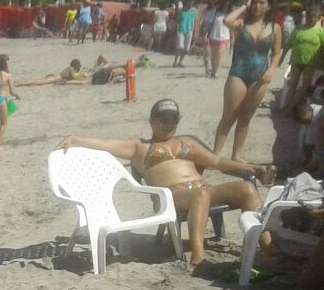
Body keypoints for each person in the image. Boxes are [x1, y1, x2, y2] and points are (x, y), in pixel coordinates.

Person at [58, 98, 272, 269]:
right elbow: (106, 145)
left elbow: (217, 162)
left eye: (173, 119)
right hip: (170, 196)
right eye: (164, 120)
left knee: (246, 189)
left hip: (200, 189)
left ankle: (267, 246)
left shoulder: (187, 142)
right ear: (152, 121)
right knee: (201, 193)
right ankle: (198, 257)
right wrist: (76, 140)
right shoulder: (140, 147)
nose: (169, 124)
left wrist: (252, 168)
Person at [213, 0, 283, 161]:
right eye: (255, 2)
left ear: (269, 6)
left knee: (245, 118)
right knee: (228, 117)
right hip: (238, 73)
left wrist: (271, 70)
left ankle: (236, 154)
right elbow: (227, 21)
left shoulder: (275, 28)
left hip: (260, 76)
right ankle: (215, 155)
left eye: (262, 3)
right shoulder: (241, 23)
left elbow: (276, 53)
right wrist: (244, 6)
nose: (257, 5)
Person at [284, 5, 323, 114]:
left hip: (310, 64)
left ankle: (291, 109)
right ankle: (286, 106)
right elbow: (288, 44)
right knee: (292, 85)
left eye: (315, 16)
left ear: (318, 17)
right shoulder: (298, 29)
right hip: (296, 61)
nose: (312, 18)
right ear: (307, 15)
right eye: (311, 15)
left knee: (304, 87)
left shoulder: (320, 31)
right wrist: (281, 58)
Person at [0, 54, 20, 152]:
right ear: (4, 64)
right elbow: (12, 92)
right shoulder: (8, 76)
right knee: (4, 124)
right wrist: (17, 96)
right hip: (1, 100)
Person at [206, 0, 232, 78]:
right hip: (213, 36)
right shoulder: (214, 14)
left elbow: (231, 28)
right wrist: (205, 35)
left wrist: (232, 39)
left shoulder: (230, 15)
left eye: (227, 6)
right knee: (213, 56)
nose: (225, 7)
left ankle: (216, 71)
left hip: (224, 37)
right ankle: (213, 70)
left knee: (219, 56)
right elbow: (208, 25)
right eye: (224, 5)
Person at [16, 59, 87, 86]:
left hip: (54, 77)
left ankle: (20, 83)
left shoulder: (70, 68)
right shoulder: (71, 69)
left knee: (36, 82)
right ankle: (19, 84)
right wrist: (81, 75)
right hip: (54, 79)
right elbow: (74, 77)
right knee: (37, 82)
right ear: (76, 65)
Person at [174, 0, 198, 67]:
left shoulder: (195, 11)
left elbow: (195, 21)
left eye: (192, 2)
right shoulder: (181, 10)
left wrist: (195, 31)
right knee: (180, 47)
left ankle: (180, 61)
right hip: (181, 30)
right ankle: (175, 62)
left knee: (186, 48)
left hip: (190, 30)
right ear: (187, 2)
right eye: (189, 2)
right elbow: (177, 20)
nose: (191, 4)